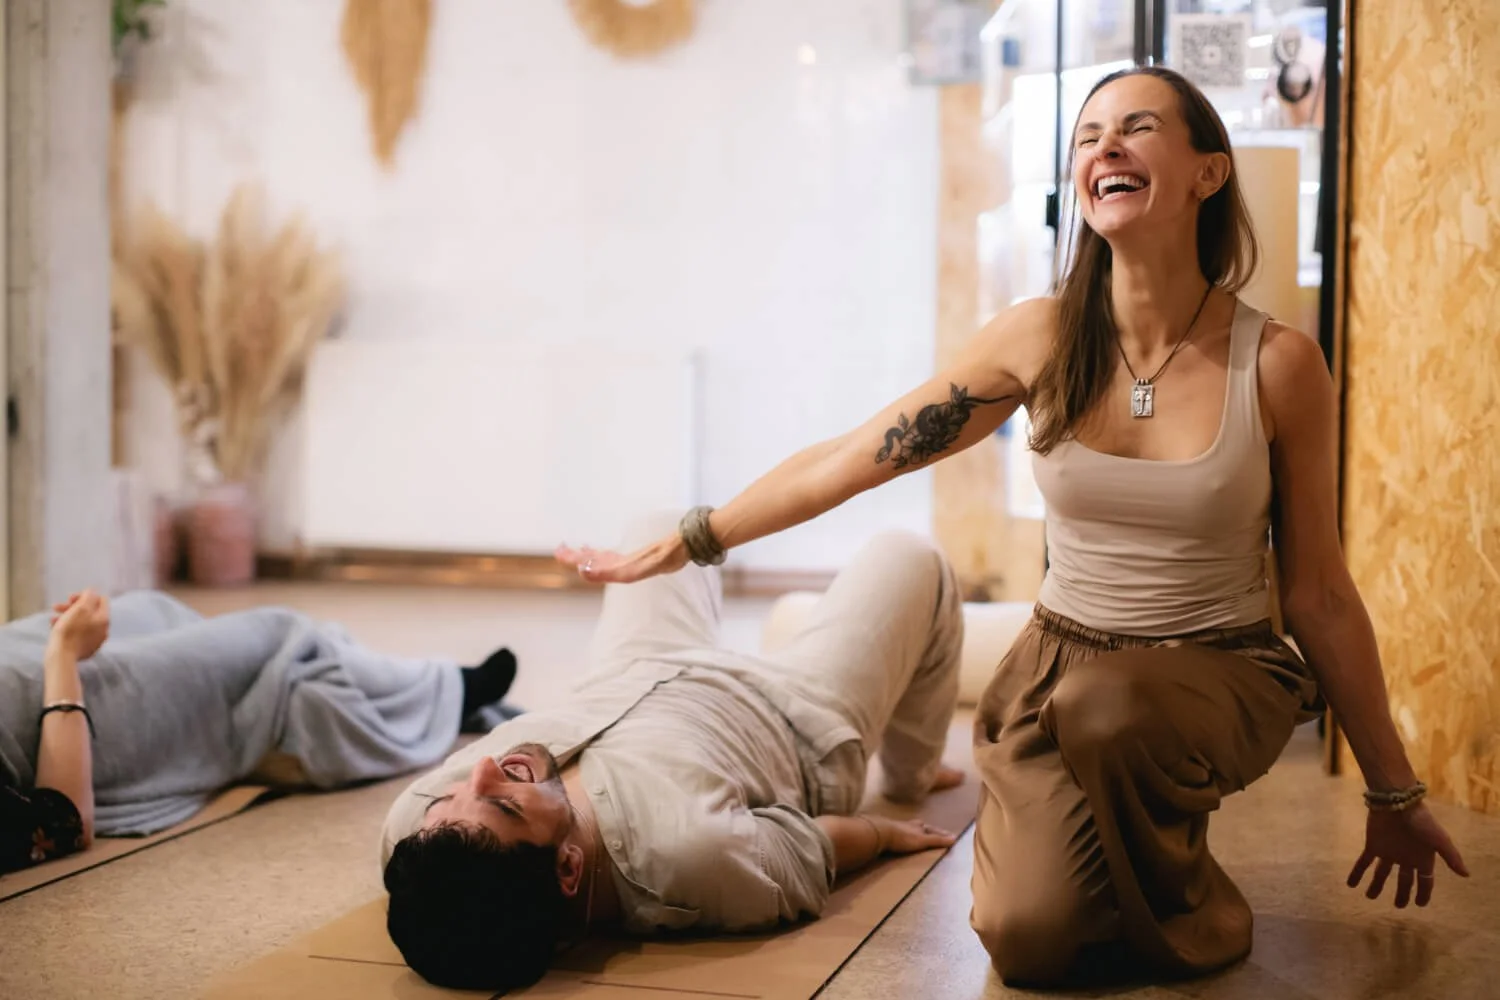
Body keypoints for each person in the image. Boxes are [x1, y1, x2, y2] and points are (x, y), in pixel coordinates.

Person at [554, 66, 1469, 988]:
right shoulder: (1039, 340)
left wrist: (1393, 788)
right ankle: (1120, 851)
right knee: (1025, 937)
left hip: (1216, 666)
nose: (1103, 147)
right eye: (1087, 137)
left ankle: (1192, 890)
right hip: (1060, 672)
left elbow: (1318, 590)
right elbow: (853, 455)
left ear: (1208, 173)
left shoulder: (1277, 364)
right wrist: (698, 535)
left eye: (1137, 127)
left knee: (1111, 711)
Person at [379, 515, 967, 992]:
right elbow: (810, 848)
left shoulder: (415, 830)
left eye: (455, 799)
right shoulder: (691, 859)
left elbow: (448, 846)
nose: (481, 770)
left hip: (631, 669)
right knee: (911, 555)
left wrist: (475, 809)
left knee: (657, 525)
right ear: (567, 868)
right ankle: (915, 768)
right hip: (791, 711)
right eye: (505, 805)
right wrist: (884, 833)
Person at [1, 588, 518, 876]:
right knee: (277, 640)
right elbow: (63, 821)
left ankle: (424, 690)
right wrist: (64, 654)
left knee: (155, 611)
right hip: (52, 712)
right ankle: (446, 687)